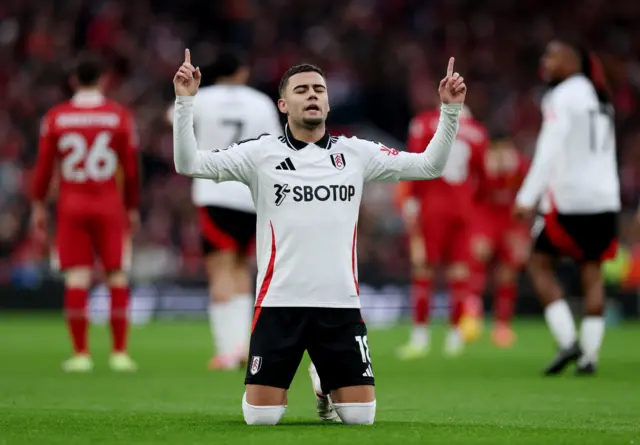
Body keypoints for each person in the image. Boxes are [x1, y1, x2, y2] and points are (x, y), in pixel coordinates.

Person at [172, 49, 466, 425]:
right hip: (278, 305)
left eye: (319, 89)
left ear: (328, 103)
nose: (312, 95)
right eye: (301, 90)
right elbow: (189, 163)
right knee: (260, 419)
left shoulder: (356, 153)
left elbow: (430, 165)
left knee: (361, 418)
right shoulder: (259, 154)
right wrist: (184, 102)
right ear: (283, 104)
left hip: (339, 307)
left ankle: (323, 383)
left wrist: (450, 110)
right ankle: (316, 377)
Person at [166, 49, 282, 371]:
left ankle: (226, 351)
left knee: (220, 269)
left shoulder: (203, 98)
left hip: (213, 192)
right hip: (251, 196)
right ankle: (244, 345)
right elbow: (274, 144)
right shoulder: (261, 102)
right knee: (244, 269)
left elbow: (171, 117)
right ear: (242, 71)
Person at [514, 39, 620, 376]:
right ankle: (590, 356)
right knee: (592, 273)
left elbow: (548, 149)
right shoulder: (602, 99)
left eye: (552, 55)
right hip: (605, 200)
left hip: (569, 198)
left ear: (572, 60)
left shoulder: (561, 96)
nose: (545, 61)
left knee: (538, 263)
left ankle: (566, 340)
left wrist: (527, 198)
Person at [31, 55, 140, 372]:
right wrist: (132, 207)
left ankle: (81, 354)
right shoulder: (119, 116)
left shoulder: (56, 117)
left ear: (73, 81)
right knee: (116, 275)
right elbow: (130, 170)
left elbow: (43, 168)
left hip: (72, 205)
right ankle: (119, 353)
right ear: (103, 80)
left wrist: (38, 203)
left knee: (76, 277)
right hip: (109, 203)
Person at [396, 104, 488, 359]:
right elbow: (483, 179)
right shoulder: (477, 132)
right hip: (463, 210)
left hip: (432, 207)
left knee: (423, 270)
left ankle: (420, 337)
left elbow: (413, 162)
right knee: (458, 273)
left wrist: (411, 202)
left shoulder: (423, 123)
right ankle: (455, 337)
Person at [468, 136, 530, 347]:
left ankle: (502, 325)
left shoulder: (520, 164)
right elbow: (473, 194)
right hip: (486, 217)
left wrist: (523, 230)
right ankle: (471, 317)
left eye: (506, 148)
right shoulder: (482, 164)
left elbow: (529, 192)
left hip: (511, 221)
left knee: (508, 273)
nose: (502, 154)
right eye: (498, 149)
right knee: (477, 263)